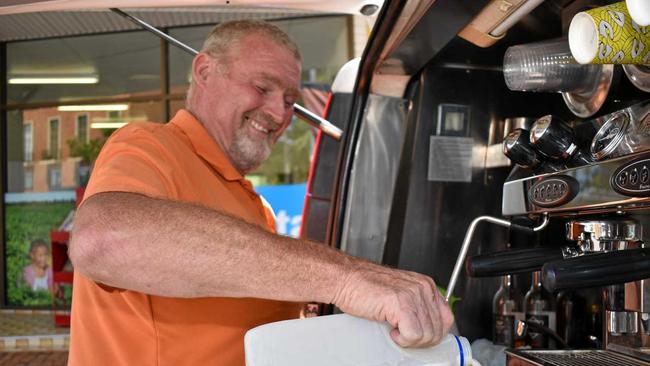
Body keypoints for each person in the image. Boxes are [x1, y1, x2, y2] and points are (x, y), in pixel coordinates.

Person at [68, 20, 453, 366]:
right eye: (262, 87)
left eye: (289, 100)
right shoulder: (150, 146)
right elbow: (104, 238)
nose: (278, 113)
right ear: (204, 70)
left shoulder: (257, 207)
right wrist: (347, 279)